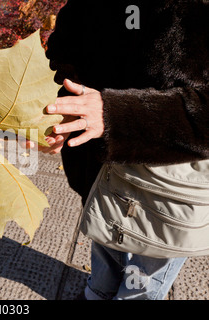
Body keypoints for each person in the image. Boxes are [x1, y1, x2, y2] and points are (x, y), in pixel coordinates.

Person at [27, 0, 209, 300]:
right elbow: (65, 56)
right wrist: (58, 110)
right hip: (94, 162)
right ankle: (99, 290)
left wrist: (115, 115)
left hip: (167, 184)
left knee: (147, 271)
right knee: (102, 232)